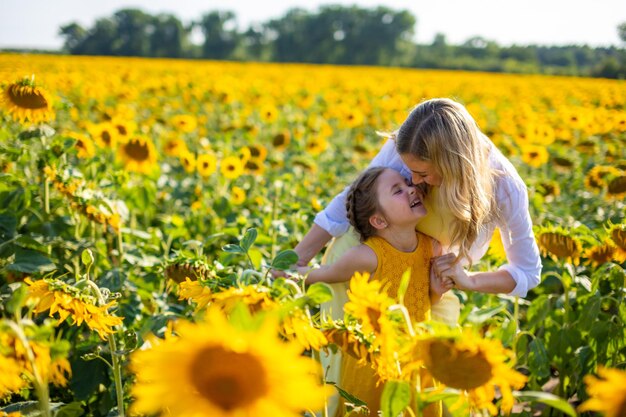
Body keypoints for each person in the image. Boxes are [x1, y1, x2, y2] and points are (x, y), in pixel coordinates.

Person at [295, 98, 542, 323]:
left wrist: (468, 280)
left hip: (423, 286)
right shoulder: (408, 144)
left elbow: (528, 272)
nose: (413, 181)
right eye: (408, 171)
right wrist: (295, 261)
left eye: (422, 174)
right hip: (362, 268)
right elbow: (349, 199)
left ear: (453, 165)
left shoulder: (506, 189)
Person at [298, 166, 450, 417]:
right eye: (397, 190)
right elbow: (321, 276)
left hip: (415, 358)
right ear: (379, 221)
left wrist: (437, 292)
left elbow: (421, 304)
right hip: (369, 365)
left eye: (407, 184)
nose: (412, 188)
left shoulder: (431, 248)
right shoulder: (367, 256)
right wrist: (288, 271)